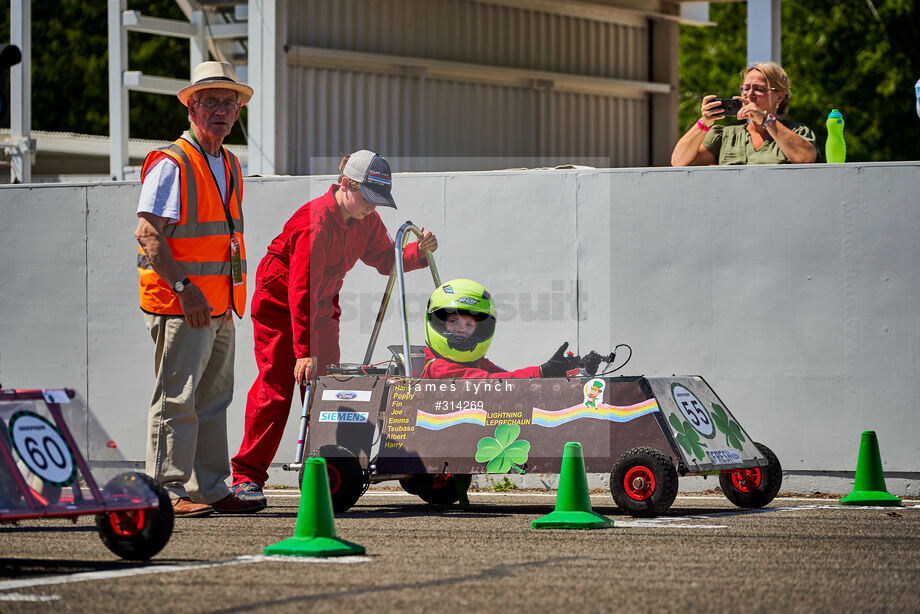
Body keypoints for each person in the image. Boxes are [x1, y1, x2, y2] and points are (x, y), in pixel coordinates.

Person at [230, 150, 439, 502]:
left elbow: (387, 259)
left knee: (328, 389)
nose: (373, 207)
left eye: (378, 200)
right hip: (281, 308)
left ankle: (325, 471)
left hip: (321, 306)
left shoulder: (364, 219)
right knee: (278, 387)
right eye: (369, 198)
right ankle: (245, 477)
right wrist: (302, 353)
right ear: (346, 184)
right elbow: (300, 291)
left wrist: (419, 252)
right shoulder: (316, 223)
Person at [134, 61, 263, 517]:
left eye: (230, 103)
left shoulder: (227, 161)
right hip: (182, 303)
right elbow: (148, 233)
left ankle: (209, 488)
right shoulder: (173, 163)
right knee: (176, 398)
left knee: (212, 399)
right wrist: (185, 289)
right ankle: (166, 491)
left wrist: (218, 299)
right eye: (211, 102)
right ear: (191, 106)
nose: (222, 111)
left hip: (219, 304)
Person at [420, 279, 582, 379]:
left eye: (469, 324)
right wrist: (542, 371)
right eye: (454, 321)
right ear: (440, 322)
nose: (461, 329)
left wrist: (559, 371)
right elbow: (492, 383)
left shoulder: (476, 362)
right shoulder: (438, 367)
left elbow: (508, 377)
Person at [670, 62, 817, 166]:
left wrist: (765, 120)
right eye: (745, 88)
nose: (749, 95)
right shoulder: (725, 136)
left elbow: (804, 157)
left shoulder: (797, 132)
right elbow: (679, 161)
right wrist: (704, 122)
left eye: (758, 89)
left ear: (779, 97)